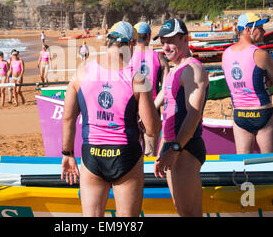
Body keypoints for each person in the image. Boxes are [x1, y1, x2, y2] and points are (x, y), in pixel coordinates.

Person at [61, 21, 161, 217]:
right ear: (131, 45)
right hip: (125, 154)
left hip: (92, 154)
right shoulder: (137, 78)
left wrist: (68, 153)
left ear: (108, 43)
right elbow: (152, 128)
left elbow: (68, 118)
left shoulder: (82, 72)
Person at [152, 18, 210, 217]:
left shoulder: (193, 70)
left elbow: (193, 115)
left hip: (185, 147)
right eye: (162, 42)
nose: (166, 47)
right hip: (173, 145)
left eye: (171, 41)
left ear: (185, 39)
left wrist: (174, 149)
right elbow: (162, 104)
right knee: (183, 210)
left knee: (189, 212)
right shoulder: (175, 69)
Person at [222, 13, 273, 154]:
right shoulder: (260, 54)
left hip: (240, 114)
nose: (264, 31)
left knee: (243, 166)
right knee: (270, 164)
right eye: (260, 27)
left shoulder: (226, 53)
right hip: (262, 112)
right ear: (248, 30)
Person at [130, 22, 169, 156]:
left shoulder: (126, 57)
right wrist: (150, 108)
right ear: (148, 36)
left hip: (131, 111)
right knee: (149, 155)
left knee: (131, 157)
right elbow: (165, 89)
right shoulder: (159, 57)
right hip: (152, 109)